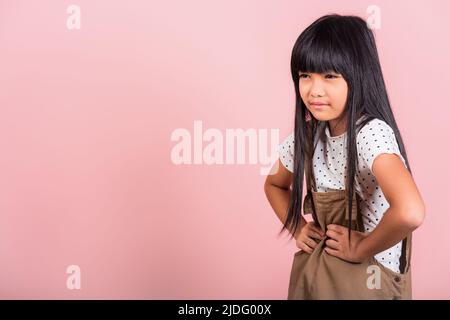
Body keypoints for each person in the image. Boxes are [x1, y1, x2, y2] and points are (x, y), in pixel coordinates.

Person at [264, 14, 426, 299]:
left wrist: (360, 248)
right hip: (319, 274)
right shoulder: (308, 135)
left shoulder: (369, 134)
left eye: (329, 76)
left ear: (358, 76)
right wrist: (299, 228)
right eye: (305, 76)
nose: (314, 90)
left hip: (368, 279)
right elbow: (274, 184)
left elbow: (410, 211)